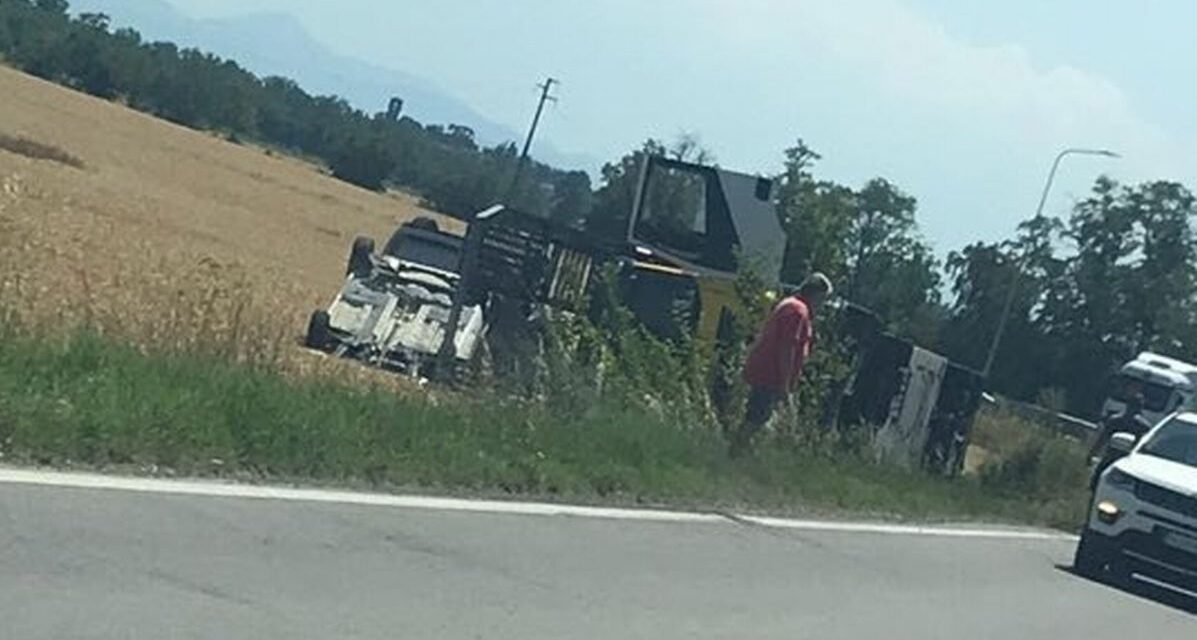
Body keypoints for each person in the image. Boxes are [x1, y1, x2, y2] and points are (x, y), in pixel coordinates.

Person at [730, 272, 834, 457]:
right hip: (770, 373)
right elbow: (787, 348)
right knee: (757, 416)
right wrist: (785, 385)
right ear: (815, 294)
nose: (822, 305)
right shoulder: (798, 311)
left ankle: (743, 450)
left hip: (768, 371)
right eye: (823, 299)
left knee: (760, 415)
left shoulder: (792, 306)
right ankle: (736, 451)